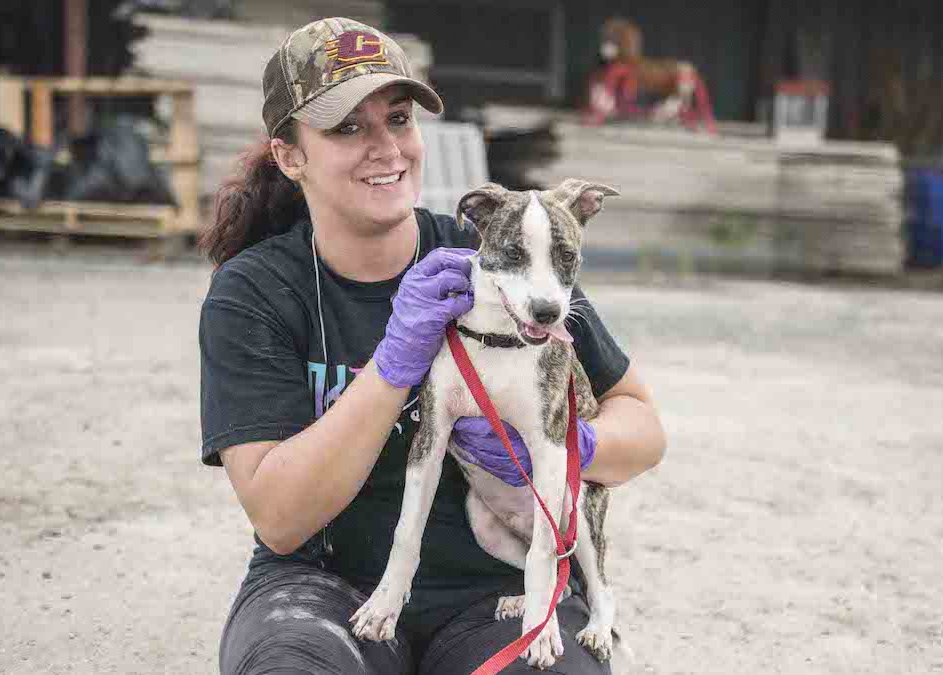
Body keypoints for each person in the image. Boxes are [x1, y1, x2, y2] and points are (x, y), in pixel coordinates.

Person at [198, 17, 666, 675]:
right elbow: (279, 516)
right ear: (289, 155)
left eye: (398, 119)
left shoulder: (500, 256)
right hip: (321, 588)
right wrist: (395, 362)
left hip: (493, 589)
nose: (386, 147)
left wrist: (574, 446)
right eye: (347, 127)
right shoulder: (257, 292)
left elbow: (644, 428)